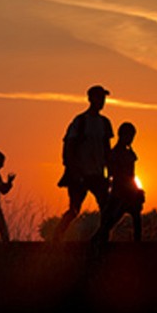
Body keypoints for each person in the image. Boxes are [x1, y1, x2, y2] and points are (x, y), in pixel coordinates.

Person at [53, 85, 114, 242]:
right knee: (74, 210)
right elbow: (69, 145)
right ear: (90, 98)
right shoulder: (80, 121)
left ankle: (101, 241)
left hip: (98, 174)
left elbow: (107, 150)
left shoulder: (105, 123)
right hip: (80, 174)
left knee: (107, 209)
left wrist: (110, 173)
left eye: (103, 98)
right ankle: (56, 238)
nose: (102, 101)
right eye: (99, 97)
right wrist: (73, 170)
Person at [92, 122, 145, 245]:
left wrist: (136, 191)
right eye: (129, 136)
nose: (131, 139)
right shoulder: (115, 153)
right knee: (109, 223)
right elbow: (113, 175)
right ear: (122, 135)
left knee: (136, 219)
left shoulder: (129, 153)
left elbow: (132, 175)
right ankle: (95, 244)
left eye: (132, 136)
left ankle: (138, 247)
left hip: (130, 191)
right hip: (119, 193)